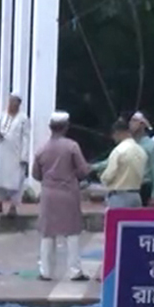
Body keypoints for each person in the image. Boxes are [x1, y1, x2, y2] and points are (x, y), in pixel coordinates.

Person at [33, 111, 91, 281]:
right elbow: (83, 170)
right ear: (66, 127)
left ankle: (46, 271)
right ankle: (74, 271)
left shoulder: (42, 148)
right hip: (68, 193)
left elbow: (36, 174)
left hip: (49, 193)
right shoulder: (72, 146)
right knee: (72, 232)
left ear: (50, 127)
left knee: (47, 232)